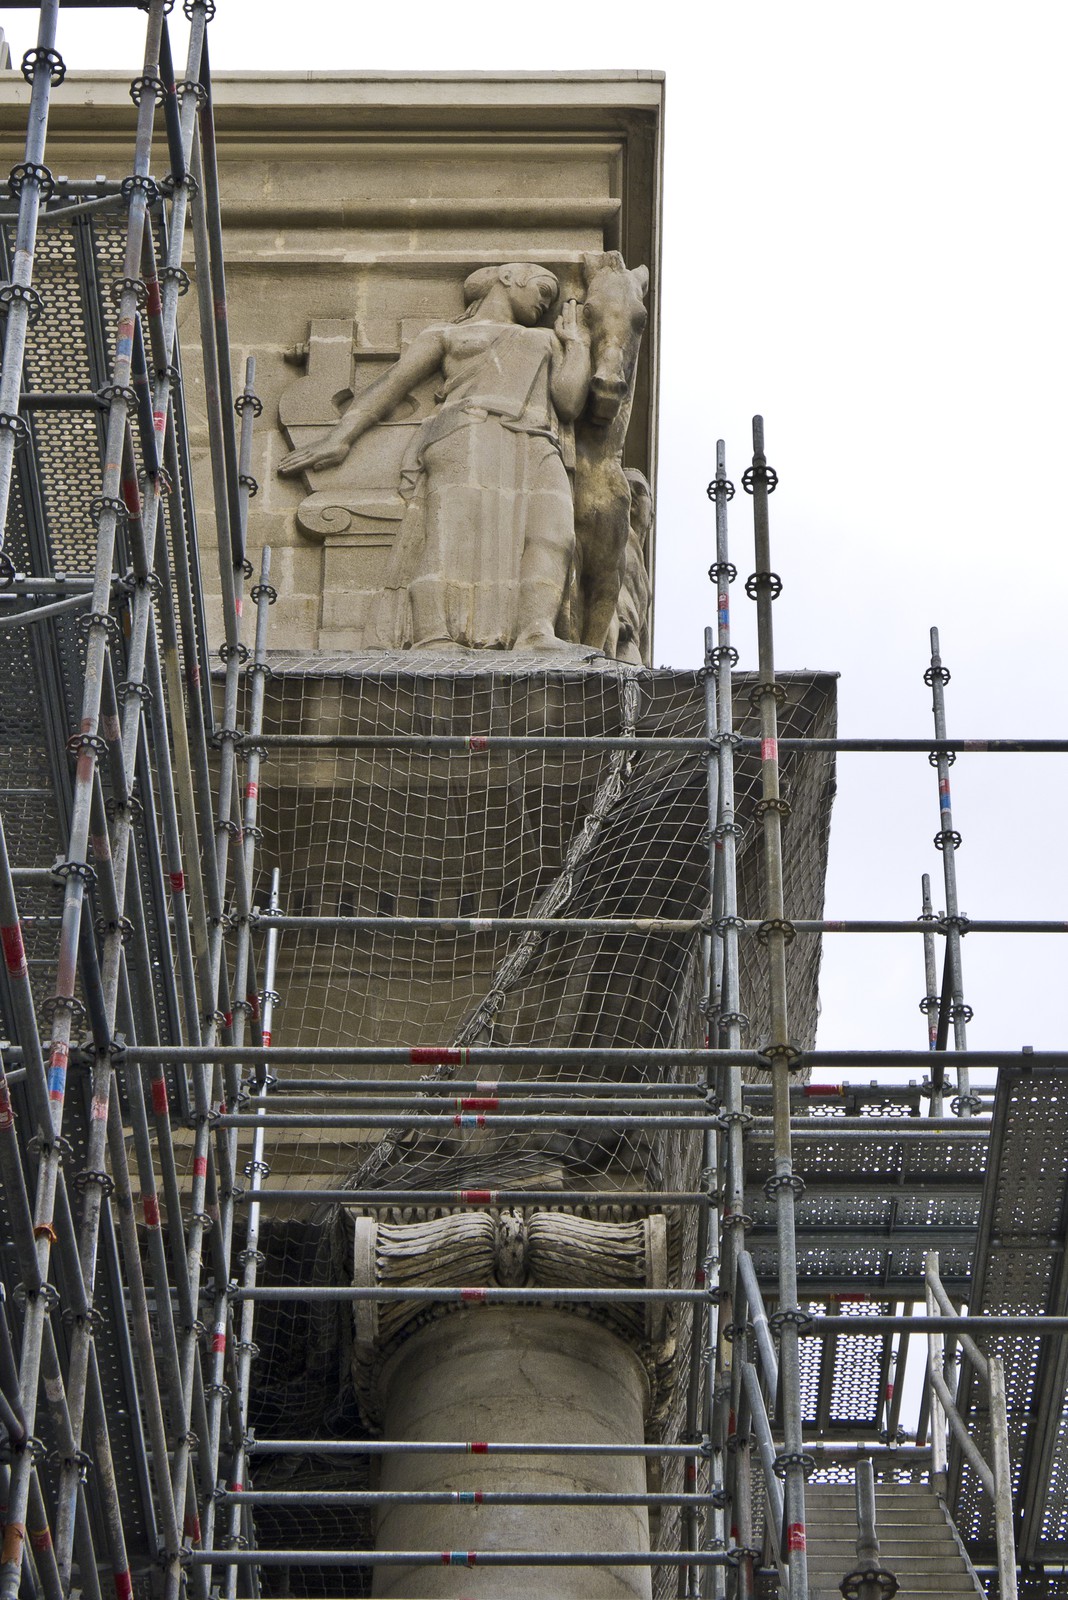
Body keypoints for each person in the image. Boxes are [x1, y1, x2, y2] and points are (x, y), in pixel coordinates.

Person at [278, 263, 591, 650]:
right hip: (466, 431)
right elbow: (391, 386)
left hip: (536, 438)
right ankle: (432, 634)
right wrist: (339, 439)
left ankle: (536, 630)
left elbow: (569, 402)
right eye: (543, 288)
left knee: (553, 533)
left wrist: (577, 344)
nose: (546, 302)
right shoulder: (447, 334)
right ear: (510, 278)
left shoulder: (546, 339)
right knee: (449, 534)